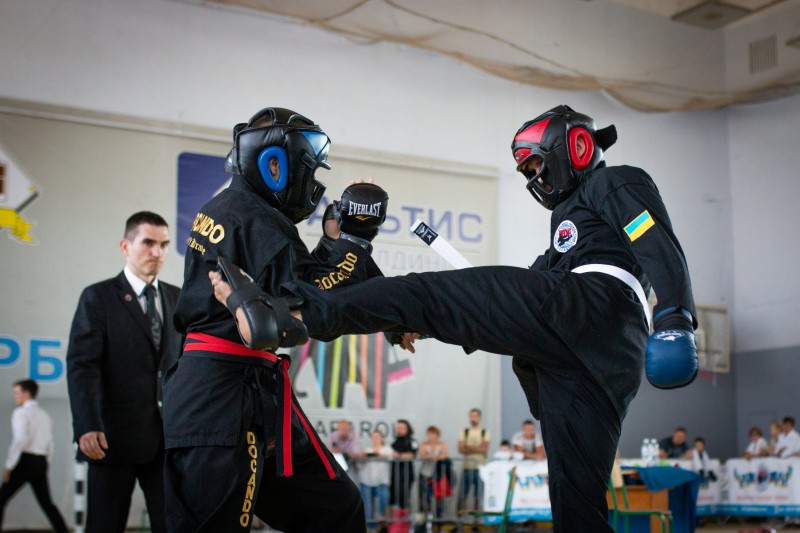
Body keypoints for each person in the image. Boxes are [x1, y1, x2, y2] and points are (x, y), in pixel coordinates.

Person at [209, 104, 699, 532]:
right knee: (577, 508)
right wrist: (432, 322)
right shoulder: (567, 228)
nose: (535, 179)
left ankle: (290, 315)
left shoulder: (616, 180)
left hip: (593, 308)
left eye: (536, 165)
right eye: (527, 171)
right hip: (599, 360)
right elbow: (521, 288)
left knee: (422, 292)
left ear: (575, 146)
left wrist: (676, 317)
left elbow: (654, 239)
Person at [164, 107, 389, 532]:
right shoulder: (258, 219)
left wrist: (335, 243)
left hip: (236, 389)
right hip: (226, 396)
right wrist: (355, 237)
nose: (313, 186)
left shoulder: (230, 208)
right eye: (309, 172)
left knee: (335, 509)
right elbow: (313, 302)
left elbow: (292, 282)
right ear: (274, 165)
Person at [66, 210, 182, 533]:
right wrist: (87, 425)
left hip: (167, 441)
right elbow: (83, 366)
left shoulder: (178, 299)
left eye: (164, 244)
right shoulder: (98, 298)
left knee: (173, 525)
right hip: (110, 439)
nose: (157, 252)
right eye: (148, 243)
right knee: (105, 526)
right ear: (125, 246)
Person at [0, 379, 68, 533]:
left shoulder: (21, 413)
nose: (15, 396)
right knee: (47, 503)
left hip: (26, 461)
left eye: (17, 393)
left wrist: (9, 465)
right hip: (41, 462)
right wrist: (45, 462)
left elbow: (20, 439)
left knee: (2, 498)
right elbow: (50, 442)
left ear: (27, 393)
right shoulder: (44, 415)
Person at [457, 408, 490, 516]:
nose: (473, 418)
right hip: (467, 468)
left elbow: (484, 449)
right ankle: (459, 520)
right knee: (462, 496)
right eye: (471, 416)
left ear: (479, 417)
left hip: (480, 469)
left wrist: (468, 447)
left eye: (475, 416)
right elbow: (461, 449)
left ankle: (476, 521)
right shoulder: (464, 431)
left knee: (478, 497)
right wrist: (477, 448)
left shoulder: (484, 432)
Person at [360, 430, 393, 533]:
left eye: (377, 437)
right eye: (373, 437)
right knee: (368, 507)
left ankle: (381, 517)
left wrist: (378, 454)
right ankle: (371, 528)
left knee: (384, 497)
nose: (375, 439)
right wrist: (363, 458)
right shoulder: (367, 450)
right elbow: (360, 465)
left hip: (382, 481)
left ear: (382, 438)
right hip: (366, 481)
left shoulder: (387, 449)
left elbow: (391, 457)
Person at [389, 419, 418, 529]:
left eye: (402, 427)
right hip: (395, 475)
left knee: (404, 500)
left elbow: (412, 455)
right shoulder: (395, 442)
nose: (399, 429)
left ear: (407, 429)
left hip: (406, 475)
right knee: (394, 500)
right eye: (398, 427)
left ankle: (404, 525)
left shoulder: (412, 441)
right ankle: (395, 525)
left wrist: (399, 455)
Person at [418, 425, 450, 520]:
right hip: (425, 474)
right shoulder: (423, 444)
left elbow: (445, 455)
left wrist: (435, 457)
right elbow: (422, 454)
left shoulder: (442, 444)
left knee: (439, 498)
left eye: (433, 434)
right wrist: (433, 456)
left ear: (437, 435)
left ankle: (439, 521)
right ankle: (426, 521)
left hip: (438, 475)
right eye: (429, 434)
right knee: (424, 498)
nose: (430, 436)